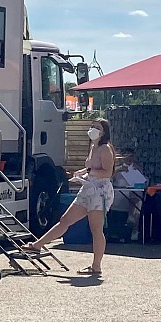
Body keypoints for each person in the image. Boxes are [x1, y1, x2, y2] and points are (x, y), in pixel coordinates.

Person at [24, 116, 115, 276]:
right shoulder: (93, 147)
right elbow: (91, 168)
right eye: (92, 126)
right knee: (65, 220)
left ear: (104, 133)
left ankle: (96, 266)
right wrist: (81, 173)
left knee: (96, 229)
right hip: (87, 189)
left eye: (97, 128)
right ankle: (37, 245)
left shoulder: (105, 149)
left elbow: (107, 172)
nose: (93, 129)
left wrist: (88, 173)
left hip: (99, 191)